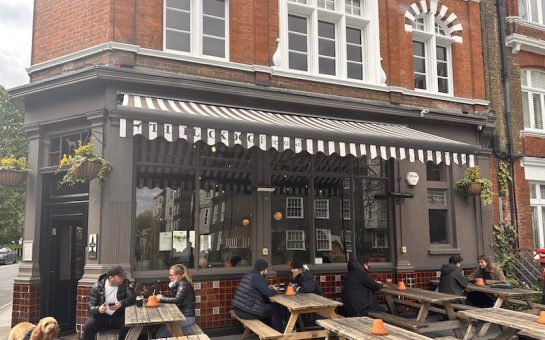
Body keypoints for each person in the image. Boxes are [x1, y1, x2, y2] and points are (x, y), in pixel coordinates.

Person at [83, 265, 136, 340]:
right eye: (120, 276)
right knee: (88, 326)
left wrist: (121, 303)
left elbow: (132, 297)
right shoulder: (97, 287)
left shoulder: (125, 283)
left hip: (119, 316)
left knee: (130, 326)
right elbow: (90, 308)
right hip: (102, 317)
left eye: (123, 276)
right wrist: (99, 309)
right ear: (111, 277)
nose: (123, 278)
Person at [231, 259, 283, 332]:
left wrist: (268, 287)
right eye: (266, 269)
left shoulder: (250, 274)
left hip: (239, 309)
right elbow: (268, 293)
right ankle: (279, 334)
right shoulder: (257, 277)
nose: (267, 271)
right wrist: (275, 290)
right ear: (263, 270)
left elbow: (257, 289)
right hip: (246, 312)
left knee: (269, 307)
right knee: (275, 308)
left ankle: (270, 331)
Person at [155, 264, 196, 337]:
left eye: (171, 275)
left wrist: (160, 299)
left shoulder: (183, 284)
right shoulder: (178, 284)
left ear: (178, 275)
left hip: (186, 317)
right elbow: (174, 297)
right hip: (179, 316)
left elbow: (177, 300)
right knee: (158, 335)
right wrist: (162, 297)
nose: (169, 277)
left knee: (161, 336)